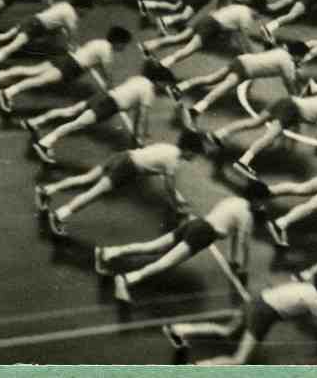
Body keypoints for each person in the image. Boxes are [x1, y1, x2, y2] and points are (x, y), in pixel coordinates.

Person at [98, 194, 252, 304]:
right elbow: (243, 244)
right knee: (165, 263)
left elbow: (235, 235)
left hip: (195, 224)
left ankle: (108, 252)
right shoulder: (247, 215)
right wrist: (243, 269)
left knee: (152, 246)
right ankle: (126, 280)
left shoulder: (234, 200)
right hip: (203, 235)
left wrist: (232, 259)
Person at [166, 278, 317, 365]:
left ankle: (178, 329)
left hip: (254, 302)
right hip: (262, 315)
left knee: (227, 331)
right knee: (239, 360)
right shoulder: (314, 301)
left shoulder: (307, 287)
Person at [35, 138, 184, 237]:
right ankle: (59, 216)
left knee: (86, 178)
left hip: (122, 156)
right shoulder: (174, 161)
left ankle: (47, 190)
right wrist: (177, 206)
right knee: (93, 194)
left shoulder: (169, 147)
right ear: (190, 151)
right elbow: (169, 186)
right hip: (126, 168)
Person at [203, 92, 317, 183]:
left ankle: (219, 133)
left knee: (255, 122)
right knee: (270, 137)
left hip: (285, 101)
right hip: (291, 111)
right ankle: (243, 162)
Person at [25, 72, 159, 166]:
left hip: (103, 97)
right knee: (76, 124)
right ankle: (44, 143)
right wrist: (138, 140)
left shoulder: (140, 79)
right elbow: (141, 116)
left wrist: (140, 134)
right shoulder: (149, 92)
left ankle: (37, 121)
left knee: (71, 111)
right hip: (109, 106)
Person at [0, 26, 131, 113]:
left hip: (66, 59)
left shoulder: (98, 42)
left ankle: (0, 76)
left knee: (33, 71)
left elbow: (94, 61)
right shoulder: (107, 51)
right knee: (39, 81)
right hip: (71, 67)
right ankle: (7, 93)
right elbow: (107, 71)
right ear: (118, 42)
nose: (124, 48)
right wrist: (111, 86)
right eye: (124, 44)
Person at [0, 0, 97, 64]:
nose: (85, 13)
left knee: (5, 37)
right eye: (86, 10)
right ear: (81, 7)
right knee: (13, 46)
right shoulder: (71, 15)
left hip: (31, 20)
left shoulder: (64, 5)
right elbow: (72, 33)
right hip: (34, 27)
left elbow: (56, 22)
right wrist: (74, 48)